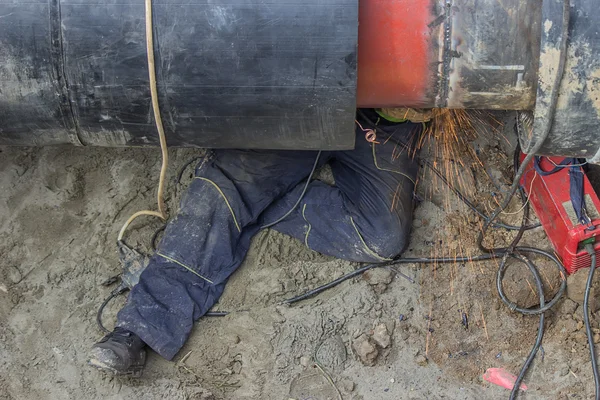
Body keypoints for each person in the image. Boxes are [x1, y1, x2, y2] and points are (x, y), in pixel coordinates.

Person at [88, 108, 425, 376]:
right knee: (227, 188)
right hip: (304, 104)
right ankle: (143, 326)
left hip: (380, 124)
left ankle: (248, 192)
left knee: (382, 238)